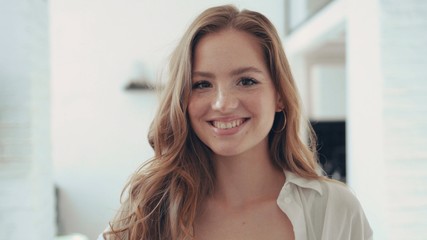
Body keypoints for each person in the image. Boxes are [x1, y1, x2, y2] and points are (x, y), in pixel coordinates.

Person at [99, 5, 372, 240]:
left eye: (246, 81)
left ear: (279, 95)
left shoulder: (333, 210)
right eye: (202, 84)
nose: (223, 103)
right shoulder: (147, 210)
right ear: (183, 99)